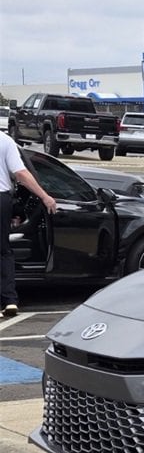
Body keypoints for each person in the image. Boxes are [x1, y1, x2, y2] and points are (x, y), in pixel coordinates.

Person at [1, 130, 57, 317]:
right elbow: (21, 174)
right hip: (1, 200)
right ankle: (9, 300)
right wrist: (45, 196)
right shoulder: (5, 141)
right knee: (3, 250)